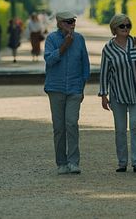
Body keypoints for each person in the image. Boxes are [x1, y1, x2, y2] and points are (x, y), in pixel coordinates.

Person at [98, 14, 136, 173]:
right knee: (120, 129)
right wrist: (103, 94)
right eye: (122, 26)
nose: (126, 28)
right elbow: (105, 72)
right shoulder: (108, 49)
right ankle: (122, 162)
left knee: (135, 126)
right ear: (114, 29)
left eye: (128, 25)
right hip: (118, 94)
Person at [44, 11, 91, 174]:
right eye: (69, 22)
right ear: (59, 23)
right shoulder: (51, 39)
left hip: (74, 89)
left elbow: (85, 65)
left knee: (71, 123)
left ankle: (73, 161)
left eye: (73, 22)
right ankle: (61, 162)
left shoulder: (80, 39)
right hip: (55, 88)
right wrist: (64, 46)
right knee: (59, 127)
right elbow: (49, 60)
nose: (72, 25)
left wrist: (82, 88)